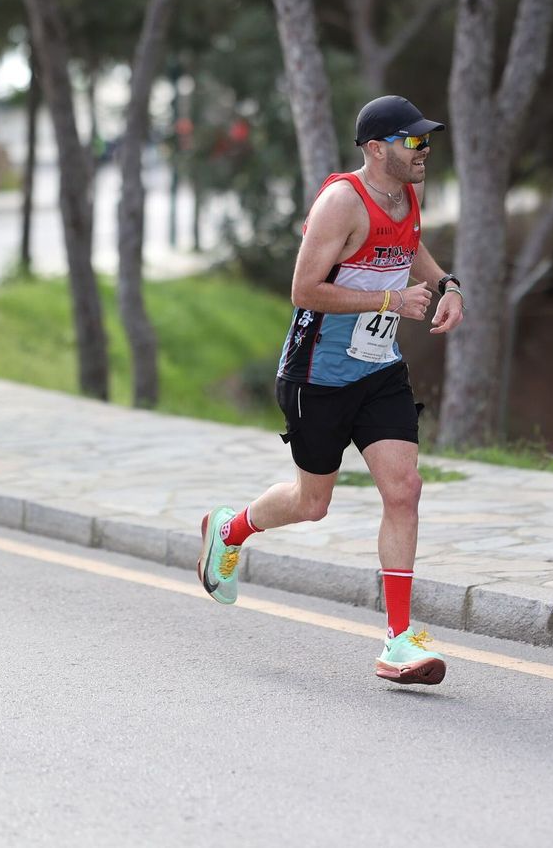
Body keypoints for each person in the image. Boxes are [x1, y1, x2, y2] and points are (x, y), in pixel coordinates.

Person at [197, 95, 466, 685]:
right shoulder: (342, 202)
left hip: (379, 372)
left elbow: (409, 245)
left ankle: (398, 641)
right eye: (413, 141)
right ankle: (229, 529)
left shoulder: (406, 193)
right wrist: (391, 300)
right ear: (376, 149)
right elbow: (303, 290)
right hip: (316, 377)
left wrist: (446, 284)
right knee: (311, 503)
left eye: (426, 140)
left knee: (405, 489)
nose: (424, 150)